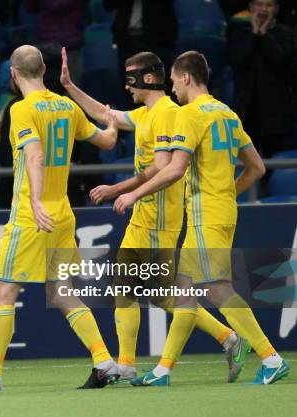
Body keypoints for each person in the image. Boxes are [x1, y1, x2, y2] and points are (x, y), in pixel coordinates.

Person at [60, 49, 249, 382]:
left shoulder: (167, 114)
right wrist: (70, 87)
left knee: (156, 293)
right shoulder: (147, 114)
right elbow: (109, 116)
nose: (127, 86)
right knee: (141, 291)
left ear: (149, 77)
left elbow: (161, 168)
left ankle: (225, 339)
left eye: (131, 77)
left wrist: (120, 190)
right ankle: (135, 362)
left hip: (160, 217)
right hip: (144, 216)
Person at [0, 44, 120, 392]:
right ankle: (104, 362)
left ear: (12, 74)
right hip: (64, 214)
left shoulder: (22, 110)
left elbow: (35, 154)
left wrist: (38, 200)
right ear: (44, 68)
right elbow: (105, 141)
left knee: (3, 291)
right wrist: (114, 124)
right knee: (60, 291)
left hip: (33, 214)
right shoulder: (67, 106)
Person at [114, 51, 290, 386]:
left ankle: (271, 357)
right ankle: (164, 371)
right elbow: (257, 168)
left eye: (175, 82)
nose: (173, 90)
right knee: (185, 290)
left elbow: (175, 169)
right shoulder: (227, 113)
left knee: (219, 291)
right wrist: (227, 193)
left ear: (185, 78)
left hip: (203, 214)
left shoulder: (190, 115)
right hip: (223, 211)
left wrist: (134, 193)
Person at [227, 0, 294, 158]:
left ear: (276, 9)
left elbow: (280, 61)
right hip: (246, 109)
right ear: (251, 8)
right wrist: (253, 33)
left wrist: (263, 34)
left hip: (276, 111)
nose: (263, 9)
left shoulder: (285, 33)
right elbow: (237, 60)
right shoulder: (239, 32)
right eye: (259, 5)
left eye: (268, 5)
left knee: (275, 160)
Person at [103, 0, 177, 93]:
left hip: (158, 41)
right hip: (127, 43)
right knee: (131, 90)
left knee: (161, 87)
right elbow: (108, 5)